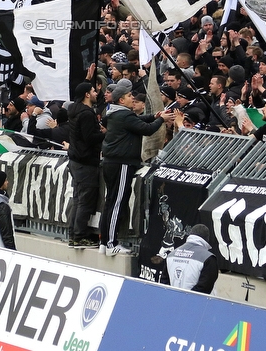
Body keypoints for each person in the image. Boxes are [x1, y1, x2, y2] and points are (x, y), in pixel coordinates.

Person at [100, 82, 173, 255]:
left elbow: (138, 121)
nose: (132, 97)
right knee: (117, 203)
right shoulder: (124, 115)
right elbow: (146, 130)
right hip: (122, 164)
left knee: (110, 202)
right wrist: (161, 119)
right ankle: (111, 244)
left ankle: (104, 242)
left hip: (110, 163)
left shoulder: (115, 114)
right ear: (121, 99)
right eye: (129, 95)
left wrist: (155, 115)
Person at [67, 81, 105, 248]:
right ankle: (79, 236)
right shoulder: (87, 114)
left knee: (77, 199)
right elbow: (89, 138)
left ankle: (73, 233)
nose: (96, 93)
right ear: (87, 95)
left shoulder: (74, 110)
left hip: (76, 160)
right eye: (93, 91)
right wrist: (104, 133)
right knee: (84, 201)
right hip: (86, 162)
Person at [165, 223, 218, 294]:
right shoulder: (209, 258)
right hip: (199, 304)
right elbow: (205, 288)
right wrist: (187, 299)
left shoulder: (171, 255)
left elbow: (164, 283)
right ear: (207, 239)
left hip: (173, 301)